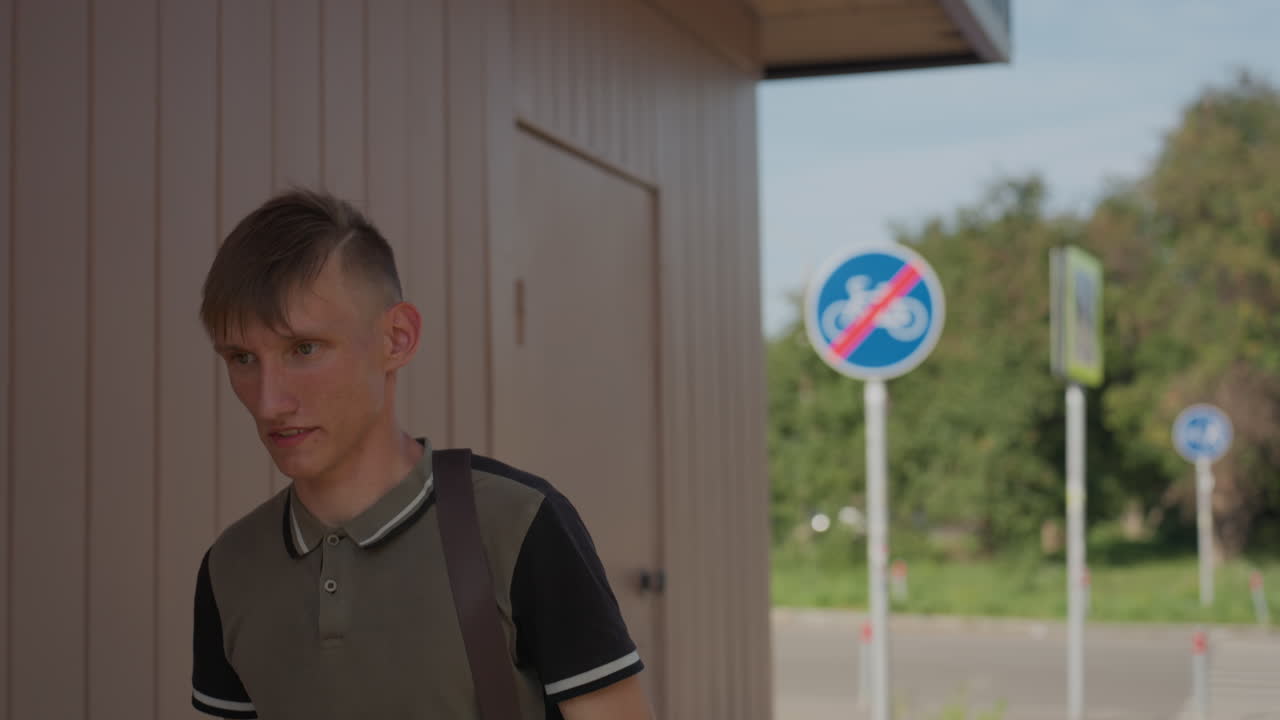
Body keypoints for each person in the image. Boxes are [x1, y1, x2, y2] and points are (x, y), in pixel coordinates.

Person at [191, 189, 654, 720]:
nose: (269, 401)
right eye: (242, 358)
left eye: (304, 349)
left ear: (398, 338)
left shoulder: (519, 526)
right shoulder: (230, 568)